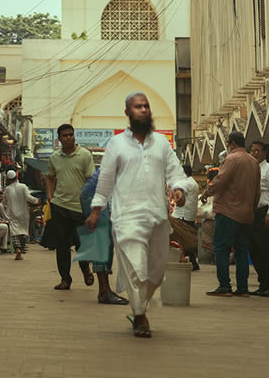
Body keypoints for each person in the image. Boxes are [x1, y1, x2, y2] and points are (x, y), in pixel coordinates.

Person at [87, 93, 188, 338]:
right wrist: (96, 209)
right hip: (126, 217)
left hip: (157, 216)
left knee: (155, 272)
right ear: (127, 113)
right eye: (137, 106)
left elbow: (175, 171)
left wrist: (179, 189)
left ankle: (140, 305)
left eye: (146, 106)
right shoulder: (116, 144)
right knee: (136, 268)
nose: (143, 110)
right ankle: (140, 315)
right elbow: (106, 180)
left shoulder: (162, 143)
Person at [200, 130, 260, 298]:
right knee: (241, 250)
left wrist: (206, 193)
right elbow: (257, 191)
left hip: (228, 212)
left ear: (232, 144)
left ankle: (225, 285)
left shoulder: (232, 158)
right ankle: (242, 288)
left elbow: (220, 180)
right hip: (246, 214)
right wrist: (251, 209)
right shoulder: (253, 162)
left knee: (221, 248)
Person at [44, 123, 95, 290]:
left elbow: (90, 180)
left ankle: (85, 269)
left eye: (71, 134)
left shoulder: (85, 156)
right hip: (59, 206)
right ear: (59, 139)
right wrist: (50, 196)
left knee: (82, 244)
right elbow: (50, 177)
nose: (69, 137)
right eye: (65, 135)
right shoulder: (54, 158)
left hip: (80, 208)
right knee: (62, 246)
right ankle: (65, 279)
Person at [77, 166, 128, 305]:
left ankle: (104, 289)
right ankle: (104, 292)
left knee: (106, 242)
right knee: (103, 242)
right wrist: (95, 212)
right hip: (94, 196)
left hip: (96, 195)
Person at [246, 140, 269, 297]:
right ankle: (264, 284)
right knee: (254, 251)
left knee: (268, 251)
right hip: (252, 214)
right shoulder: (250, 170)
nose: (255, 153)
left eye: (258, 150)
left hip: (265, 212)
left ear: (264, 152)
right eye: (252, 150)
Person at [1, 169, 39, 260]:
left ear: (8, 179)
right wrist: (37, 200)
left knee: (14, 233)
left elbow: (4, 202)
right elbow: (29, 197)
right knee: (22, 232)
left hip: (12, 213)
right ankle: (20, 250)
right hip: (24, 213)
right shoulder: (23, 186)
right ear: (16, 177)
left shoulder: (7, 189)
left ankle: (17, 249)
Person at [168, 163, 200, 270]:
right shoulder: (193, 182)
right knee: (186, 239)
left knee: (182, 239)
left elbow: (180, 190)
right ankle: (192, 262)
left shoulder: (187, 183)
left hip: (183, 215)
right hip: (188, 215)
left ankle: (184, 260)